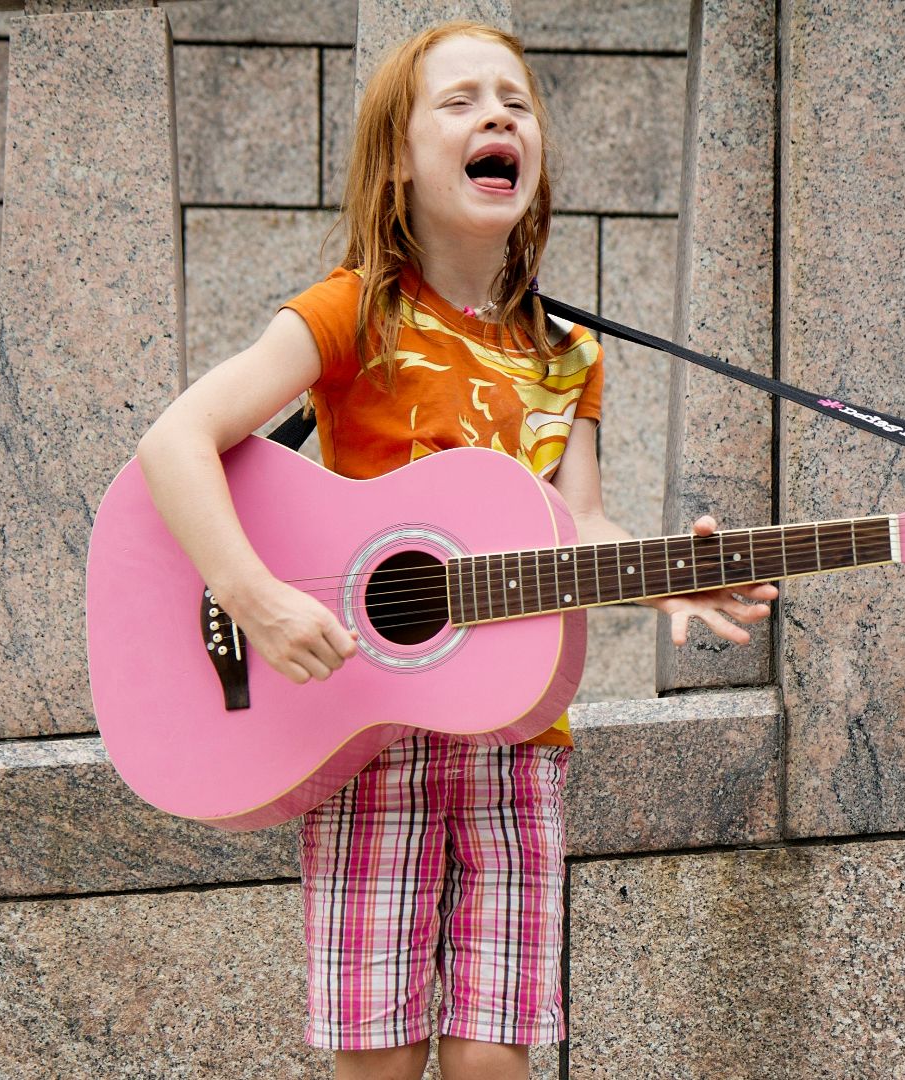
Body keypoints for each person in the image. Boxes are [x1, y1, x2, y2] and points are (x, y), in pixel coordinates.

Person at [134, 20, 776, 1080]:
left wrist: (664, 573)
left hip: (521, 732)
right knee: (377, 1056)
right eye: (463, 100)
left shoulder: (567, 353)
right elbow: (175, 442)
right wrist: (253, 595)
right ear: (399, 156)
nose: (497, 116)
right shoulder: (353, 314)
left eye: (516, 102)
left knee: (493, 1058)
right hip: (364, 722)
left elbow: (580, 522)